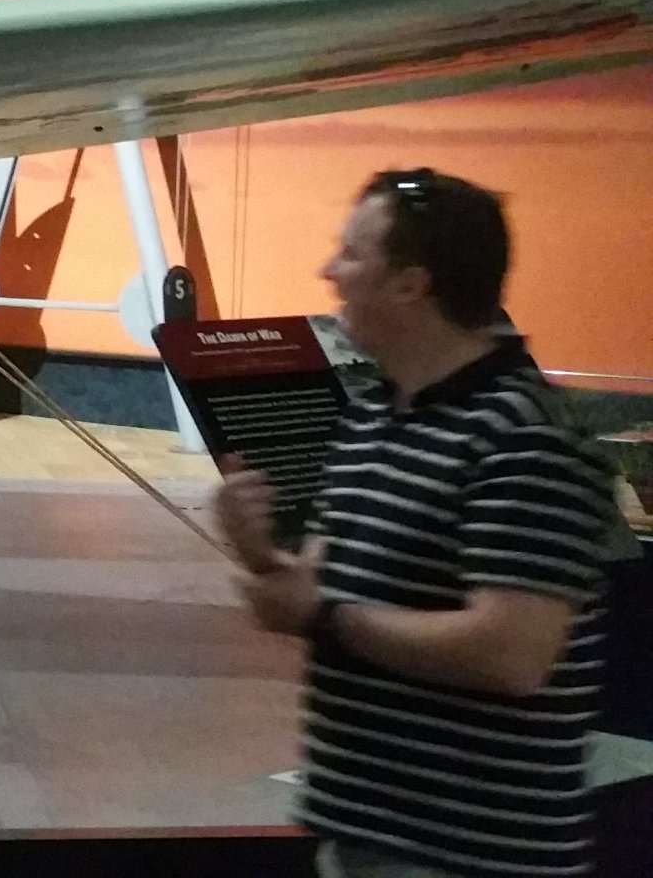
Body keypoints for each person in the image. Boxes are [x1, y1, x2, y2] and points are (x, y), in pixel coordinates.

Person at [214, 170, 618, 878]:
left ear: (410, 284)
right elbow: (332, 588)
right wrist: (262, 556)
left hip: (472, 854)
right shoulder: (374, 412)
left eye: (351, 253)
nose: (328, 272)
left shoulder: (527, 438)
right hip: (364, 833)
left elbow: (511, 654)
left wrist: (319, 615)